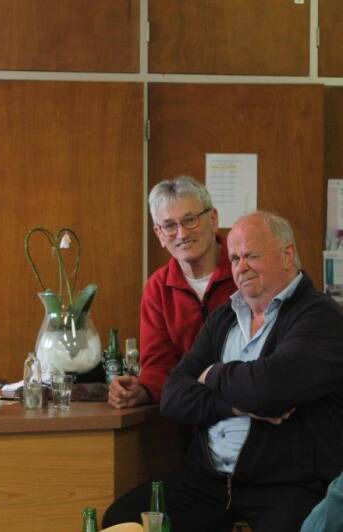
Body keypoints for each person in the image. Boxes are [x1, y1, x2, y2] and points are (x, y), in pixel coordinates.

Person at [103, 212, 343, 531]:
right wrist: (236, 406)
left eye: (251, 256)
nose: (241, 267)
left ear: (287, 255)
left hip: (286, 486)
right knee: (121, 519)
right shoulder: (224, 318)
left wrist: (213, 374)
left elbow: (269, 390)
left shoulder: (320, 317)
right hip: (208, 481)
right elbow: (173, 395)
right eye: (234, 258)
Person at [109, 176, 236, 409]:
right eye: (169, 226)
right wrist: (142, 390)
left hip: (249, 402)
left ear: (213, 219)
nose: (182, 234)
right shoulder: (157, 288)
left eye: (190, 220)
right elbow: (159, 366)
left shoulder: (244, 268)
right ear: (159, 234)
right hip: (191, 411)